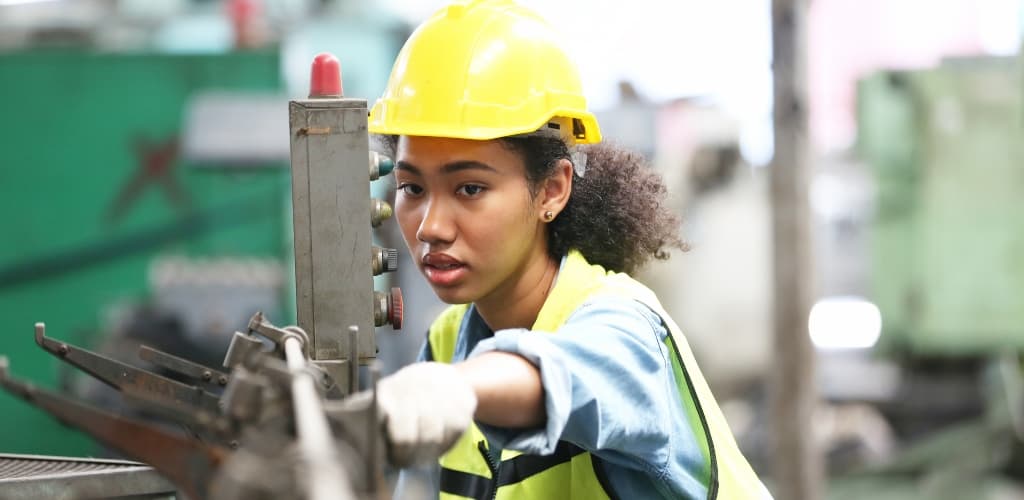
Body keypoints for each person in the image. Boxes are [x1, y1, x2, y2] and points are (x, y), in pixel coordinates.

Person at [365, 1, 772, 498]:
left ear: (552, 190)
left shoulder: (625, 330)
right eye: (412, 189)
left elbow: (563, 375)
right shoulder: (449, 343)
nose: (430, 227)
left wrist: (456, 388)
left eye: (469, 189)